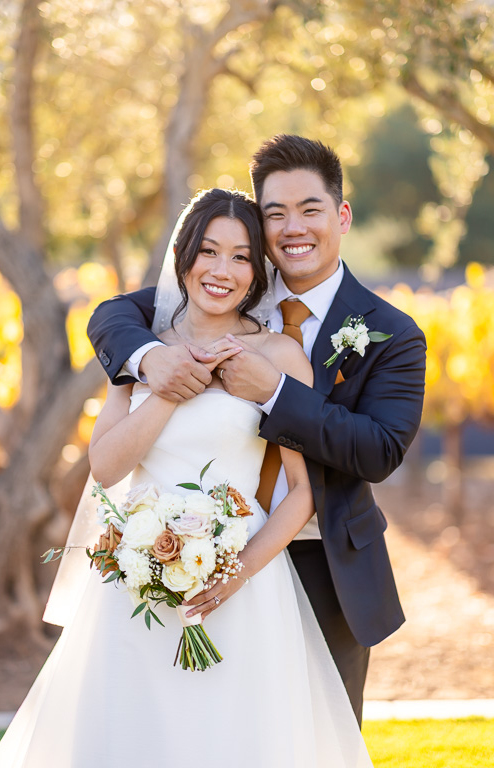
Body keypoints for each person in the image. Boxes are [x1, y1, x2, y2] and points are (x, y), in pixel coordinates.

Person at [0, 188, 373, 768]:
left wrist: (235, 574)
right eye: (209, 251)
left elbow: (301, 494)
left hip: (239, 583)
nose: (222, 270)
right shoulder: (142, 351)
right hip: (132, 583)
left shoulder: (280, 355)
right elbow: (107, 465)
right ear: (184, 257)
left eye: (241, 257)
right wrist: (170, 386)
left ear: (257, 271)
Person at [87, 135, 427, 725]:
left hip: (322, 559)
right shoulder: (225, 284)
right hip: (182, 548)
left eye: (310, 210)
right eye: (276, 213)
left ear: (341, 216)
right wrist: (149, 362)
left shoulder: (391, 333)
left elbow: (378, 451)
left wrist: (271, 391)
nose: (293, 227)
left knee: (314, 736)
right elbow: (110, 315)